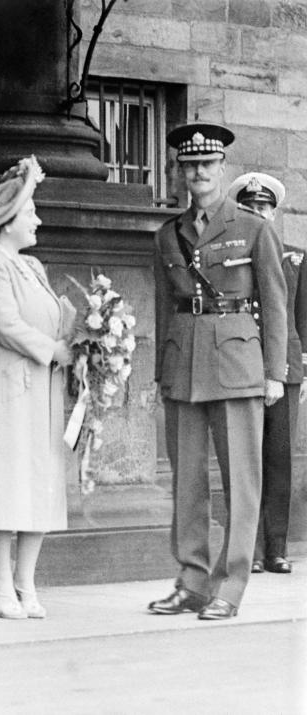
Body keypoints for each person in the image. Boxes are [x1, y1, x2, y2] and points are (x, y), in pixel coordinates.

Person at [150, 123, 287, 620]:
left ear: (221, 168)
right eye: (189, 165)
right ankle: (190, 581)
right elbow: (166, 307)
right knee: (187, 479)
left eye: (207, 164)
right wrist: (161, 373)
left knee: (241, 480)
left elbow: (275, 302)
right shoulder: (170, 235)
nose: (198, 173)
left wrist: (276, 371)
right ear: (180, 172)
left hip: (236, 362)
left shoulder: (253, 227)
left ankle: (230, 584)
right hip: (184, 365)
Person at [0, 156, 76, 620]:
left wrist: (83, 337)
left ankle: (27, 581)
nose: (37, 220)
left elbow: (50, 318)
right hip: (8, 393)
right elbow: (5, 325)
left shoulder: (33, 266)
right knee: (6, 486)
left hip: (42, 394)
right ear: (8, 221)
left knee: (40, 486)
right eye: (31, 213)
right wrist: (54, 350)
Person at [227, 172, 306, 575]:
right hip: (242, 365)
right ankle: (251, 548)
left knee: (278, 459)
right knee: (246, 458)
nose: (258, 213)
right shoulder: (232, 253)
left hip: (286, 369)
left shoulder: (294, 256)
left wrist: (302, 366)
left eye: (264, 207)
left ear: (274, 212)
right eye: (250, 207)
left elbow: (300, 315)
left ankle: (276, 547)